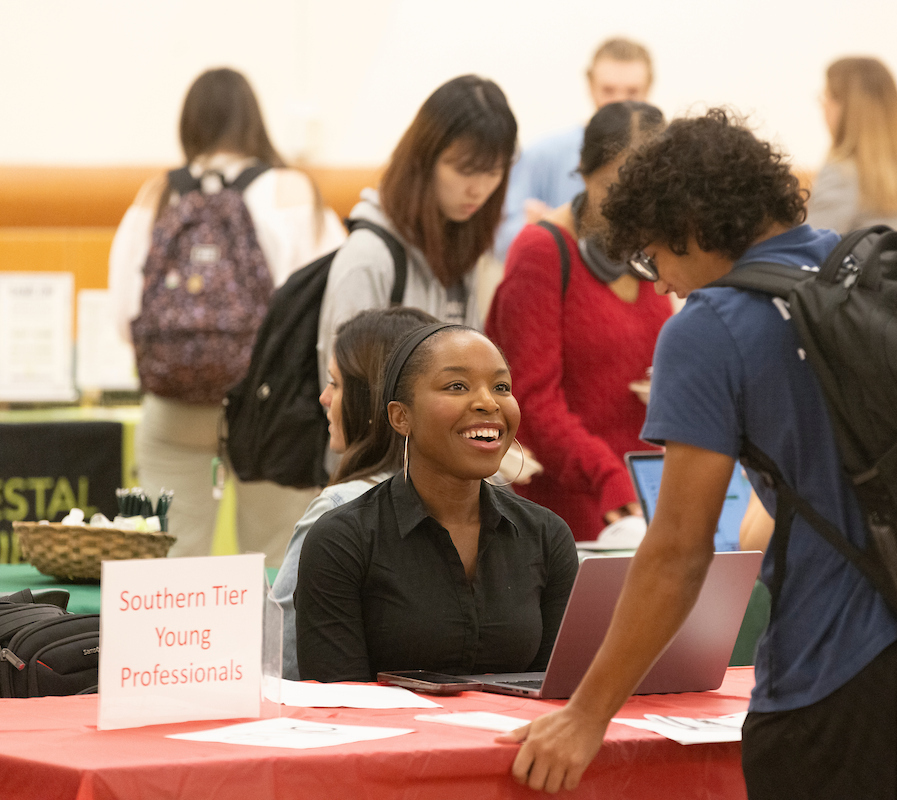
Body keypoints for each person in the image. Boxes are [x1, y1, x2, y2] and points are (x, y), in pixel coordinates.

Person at [499, 110, 897, 798]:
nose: (660, 283)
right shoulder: (885, 274)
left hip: (840, 670)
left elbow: (678, 551)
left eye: (653, 254)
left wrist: (586, 714)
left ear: (690, 227)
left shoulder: (713, 325)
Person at [108, 67, 345, 566]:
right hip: (273, 406)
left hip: (174, 404)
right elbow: (330, 307)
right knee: (278, 564)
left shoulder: (159, 195)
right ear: (253, 121)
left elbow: (123, 310)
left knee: (168, 565)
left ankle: (176, 645)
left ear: (189, 124)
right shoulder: (293, 191)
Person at [294, 324, 579, 681]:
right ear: (401, 417)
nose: (488, 403)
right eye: (456, 386)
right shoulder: (342, 540)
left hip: (517, 736)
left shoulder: (547, 535)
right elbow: (339, 704)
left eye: (501, 387)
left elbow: (557, 693)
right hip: (393, 736)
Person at [486, 101, 671, 541]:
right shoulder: (542, 252)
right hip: (572, 502)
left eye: (646, 192)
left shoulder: (648, 252)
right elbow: (530, 399)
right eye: (613, 186)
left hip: (643, 490)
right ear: (584, 174)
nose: (629, 208)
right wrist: (607, 475)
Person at [268, 305, 438, 680]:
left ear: (372, 398)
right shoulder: (478, 497)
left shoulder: (338, 510)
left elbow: (278, 655)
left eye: (336, 383)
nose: (324, 398)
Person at [316, 74, 518, 388]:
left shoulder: (462, 246)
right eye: (464, 170)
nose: (478, 189)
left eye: (493, 172)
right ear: (423, 161)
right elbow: (343, 403)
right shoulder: (369, 257)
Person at [494, 37, 653, 260]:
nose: (619, 102)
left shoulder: (663, 160)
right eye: (608, 90)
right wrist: (535, 229)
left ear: (649, 88)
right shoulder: (544, 153)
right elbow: (498, 239)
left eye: (632, 92)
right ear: (590, 85)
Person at [805, 56, 897, 236]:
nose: (823, 107)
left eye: (826, 97)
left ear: (847, 108)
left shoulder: (840, 175)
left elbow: (811, 250)